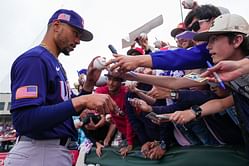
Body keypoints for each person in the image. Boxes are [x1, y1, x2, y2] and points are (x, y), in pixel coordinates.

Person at [4, 9, 116, 166]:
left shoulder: (53, 63)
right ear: (56, 26)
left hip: (50, 151)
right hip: (38, 151)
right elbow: (25, 120)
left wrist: (89, 83)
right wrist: (83, 100)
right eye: (75, 33)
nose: (78, 41)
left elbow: (67, 108)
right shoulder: (35, 59)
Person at [167, 13, 249, 156]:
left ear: (236, 40)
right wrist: (133, 75)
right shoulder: (213, 70)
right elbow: (178, 82)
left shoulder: (216, 66)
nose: (208, 46)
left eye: (214, 39)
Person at [106, 5, 221, 71]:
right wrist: (135, 76)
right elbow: (178, 83)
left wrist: (138, 60)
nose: (193, 34)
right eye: (189, 31)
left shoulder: (215, 46)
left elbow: (177, 57)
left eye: (196, 26)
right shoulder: (206, 50)